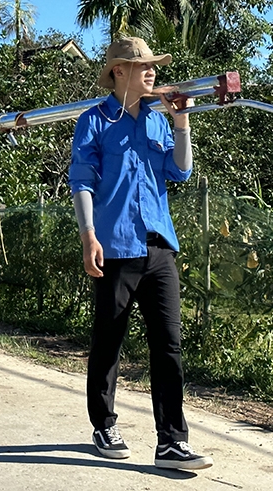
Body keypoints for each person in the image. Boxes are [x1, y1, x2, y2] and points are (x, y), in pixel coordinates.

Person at [69, 38, 213, 470]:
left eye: (153, 65)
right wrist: (88, 234)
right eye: (141, 66)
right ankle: (104, 423)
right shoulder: (93, 121)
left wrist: (182, 123)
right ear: (118, 71)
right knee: (109, 340)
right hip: (114, 246)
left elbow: (181, 171)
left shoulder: (157, 120)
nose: (151, 72)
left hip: (159, 246)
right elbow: (82, 181)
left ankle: (171, 440)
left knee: (168, 344)